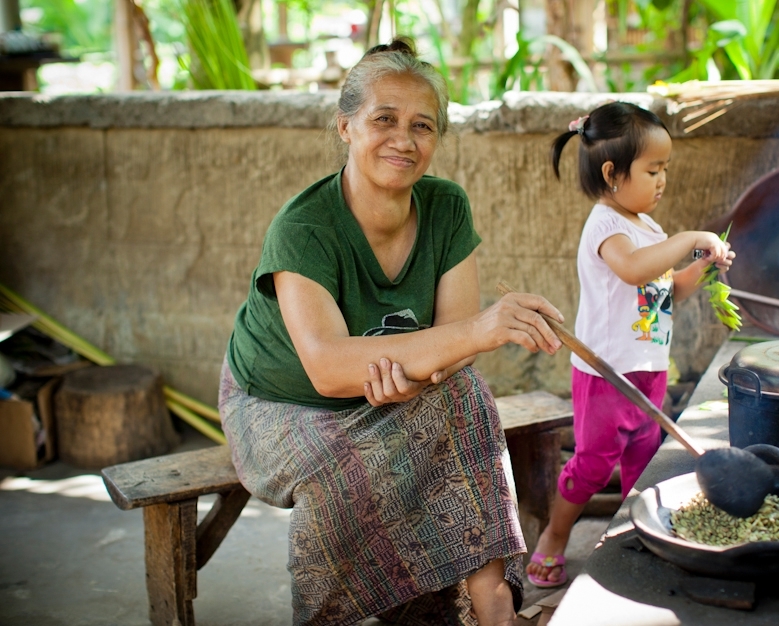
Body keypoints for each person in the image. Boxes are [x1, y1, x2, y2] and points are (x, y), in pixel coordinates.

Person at [219, 37, 565, 626]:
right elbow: (328, 369)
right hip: (279, 403)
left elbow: (453, 345)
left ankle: (492, 602)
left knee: (465, 397)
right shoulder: (304, 226)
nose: (404, 140)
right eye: (384, 119)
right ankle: (345, 615)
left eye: (423, 126)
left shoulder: (446, 207)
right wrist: (471, 336)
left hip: (391, 391)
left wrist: (421, 372)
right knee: (348, 472)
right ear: (345, 126)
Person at [525, 102, 735, 588]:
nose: (662, 180)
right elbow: (634, 270)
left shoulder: (649, 229)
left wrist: (701, 263)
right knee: (592, 466)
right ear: (612, 174)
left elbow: (667, 292)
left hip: (649, 369)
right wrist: (689, 236)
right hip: (606, 374)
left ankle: (632, 536)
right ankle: (555, 537)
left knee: (643, 466)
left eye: (666, 170)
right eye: (653, 170)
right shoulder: (606, 226)